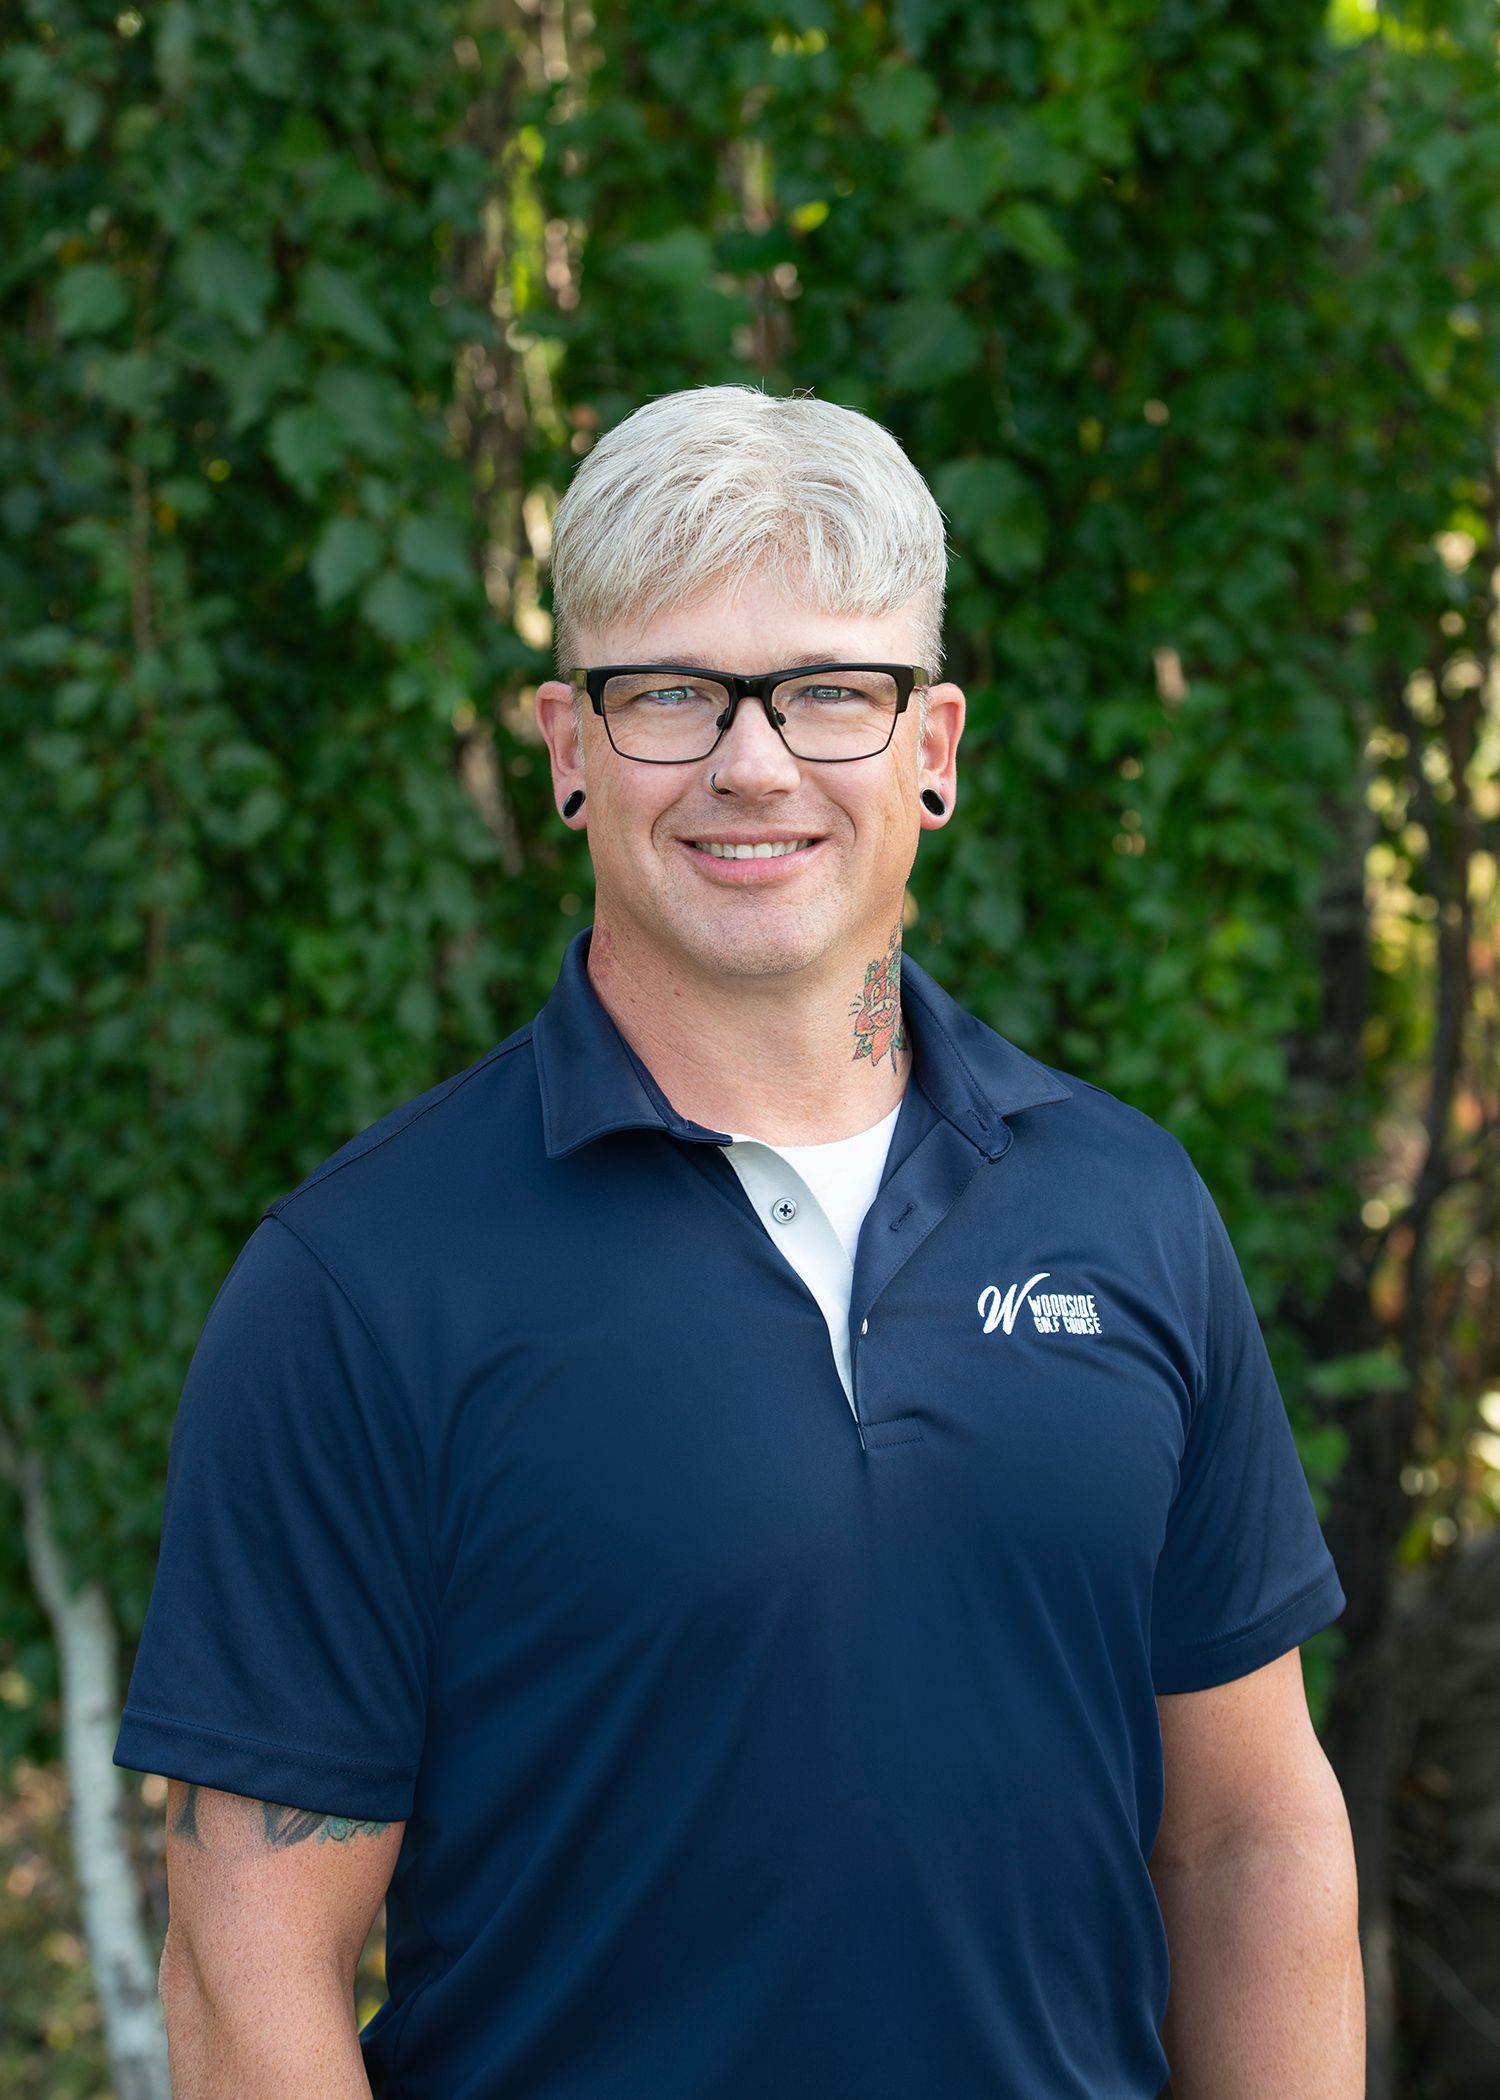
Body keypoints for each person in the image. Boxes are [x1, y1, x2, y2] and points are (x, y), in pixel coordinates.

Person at [114, 384, 1364, 2099]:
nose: (753, 762)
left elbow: (1247, 1837)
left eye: (830, 693)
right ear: (570, 747)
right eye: (673, 695)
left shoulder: (1128, 1210)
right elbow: (251, 1951)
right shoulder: (363, 1286)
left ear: (932, 753)